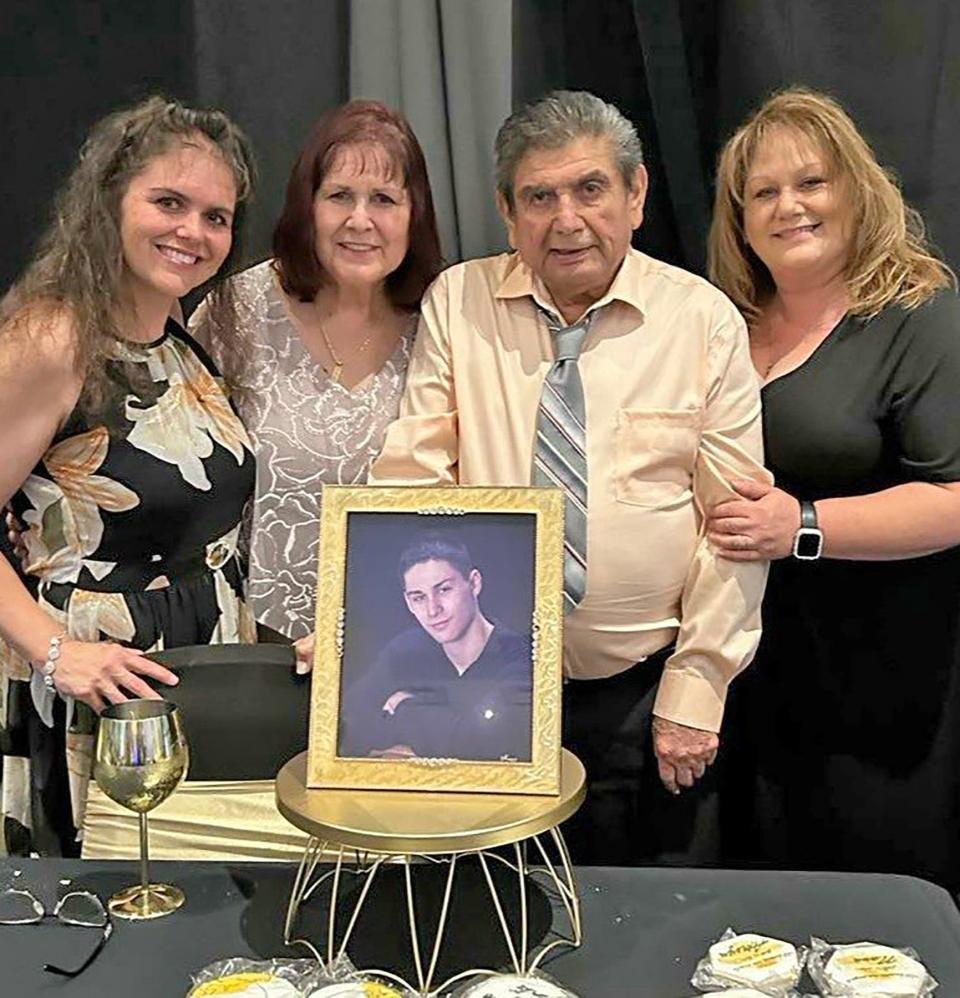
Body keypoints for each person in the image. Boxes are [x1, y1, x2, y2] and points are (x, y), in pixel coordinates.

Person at [369, 91, 770, 865]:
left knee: (644, 938)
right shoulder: (460, 302)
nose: (567, 219)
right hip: (481, 687)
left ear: (636, 193)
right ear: (507, 211)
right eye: (539, 197)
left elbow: (737, 525)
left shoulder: (702, 320)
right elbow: (412, 485)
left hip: (644, 695)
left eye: (590, 189)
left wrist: (697, 688)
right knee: (492, 932)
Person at [706, 88, 960, 887]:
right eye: (764, 193)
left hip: (880, 682)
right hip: (748, 677)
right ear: (739, 220)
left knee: (872, 916)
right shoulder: (722, 326)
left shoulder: (917, 316)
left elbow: (954, 499)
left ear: (856, 190)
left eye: (811, 183)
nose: (790, 207)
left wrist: (802, 527)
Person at [0, 96, 257, 855]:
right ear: (110, 201)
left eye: (216, 216)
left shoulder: (178, 339)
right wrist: (55, 651)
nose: (194, 231)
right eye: (169, 202)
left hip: (191, 678)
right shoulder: (51, 338)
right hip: (88, 694)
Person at [189, 101, 443, 650]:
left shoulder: (444, 324)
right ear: (308, 208)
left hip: (398, 644)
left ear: (414, 214)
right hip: (246, 642)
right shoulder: (236, 311)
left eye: (384, 199)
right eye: (339, 197)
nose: (360, 220)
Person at [340, 533, 532, 761]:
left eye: (444, 590)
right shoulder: (405, 651)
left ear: (474, 583)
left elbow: (488, 744)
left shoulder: (520, 656)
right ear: (408, 603)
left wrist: (405, 708)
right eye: (419, 597)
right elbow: (347, 726)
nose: (433, 610)